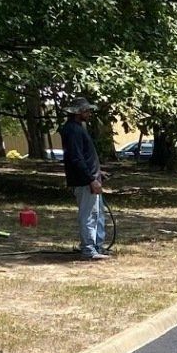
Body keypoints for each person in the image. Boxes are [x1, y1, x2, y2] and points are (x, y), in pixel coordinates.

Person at [60, 98, 108, 260]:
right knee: (89, 214)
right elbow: (76, 158)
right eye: (86, 110)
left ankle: (97, 246)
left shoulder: (78, 128)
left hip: (90, 178)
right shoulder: (72, 130)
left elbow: (85, 156)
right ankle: (89, 249)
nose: (89, 113)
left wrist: (98, 172)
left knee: (98, 213)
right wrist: (90, 179)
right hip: (84, 181)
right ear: (78, 112)